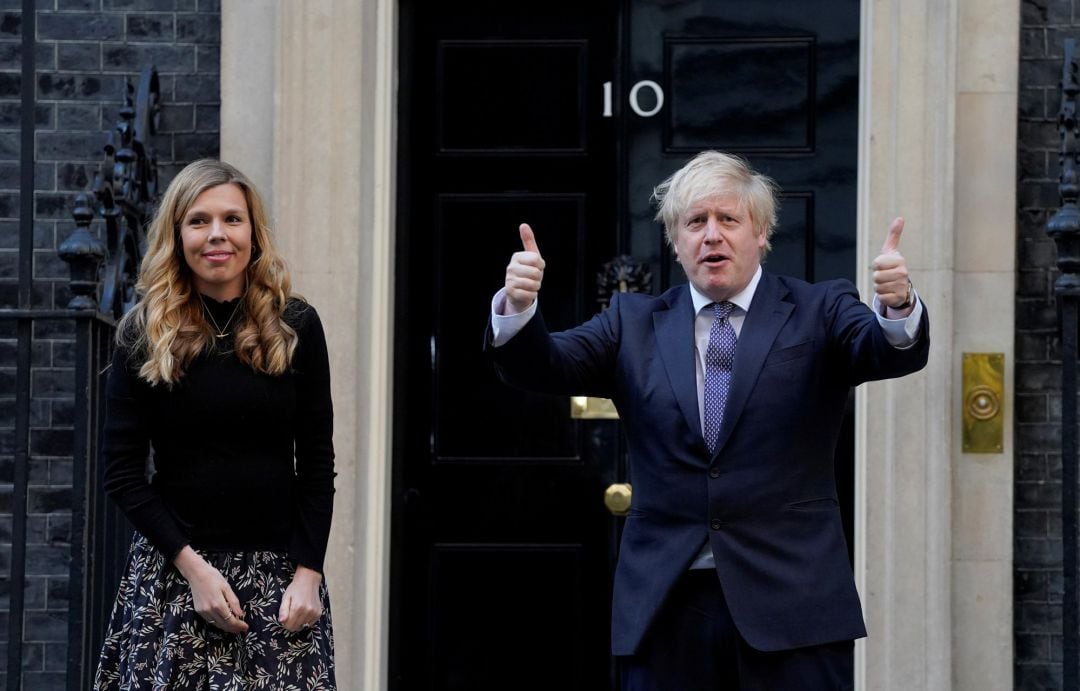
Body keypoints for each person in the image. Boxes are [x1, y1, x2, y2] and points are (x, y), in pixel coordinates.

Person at [486, 151, 929, 690]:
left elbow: (885, 352)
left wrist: (898, 305)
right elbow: (544, 366)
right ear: (676, 241)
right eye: (695, 222)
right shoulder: (632, 323)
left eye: (728, 220)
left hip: (793, 610)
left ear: (762, 232)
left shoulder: (821, 308)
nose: (711, 236)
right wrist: (517, 305)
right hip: (665, 611)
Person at [94, 159, 336, 689]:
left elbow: (317, 462)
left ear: (254, 232)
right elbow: (122, 474)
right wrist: (194, 570)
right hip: (176, 578)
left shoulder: (295, 325)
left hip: (281, 584)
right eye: (199, 221)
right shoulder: (144, 331)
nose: (217, 235)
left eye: (232, 218)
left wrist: (308, 573)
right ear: (177, 235)